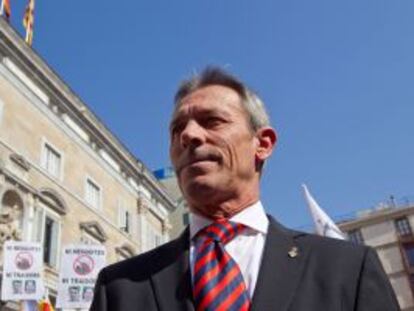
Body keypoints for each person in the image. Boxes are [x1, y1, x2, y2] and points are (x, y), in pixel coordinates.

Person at [90, 67, 399, 311]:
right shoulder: (119, 287)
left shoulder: (347, 269)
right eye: (177, 130)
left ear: (262, 144)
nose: (189, 135)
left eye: (212, 121)